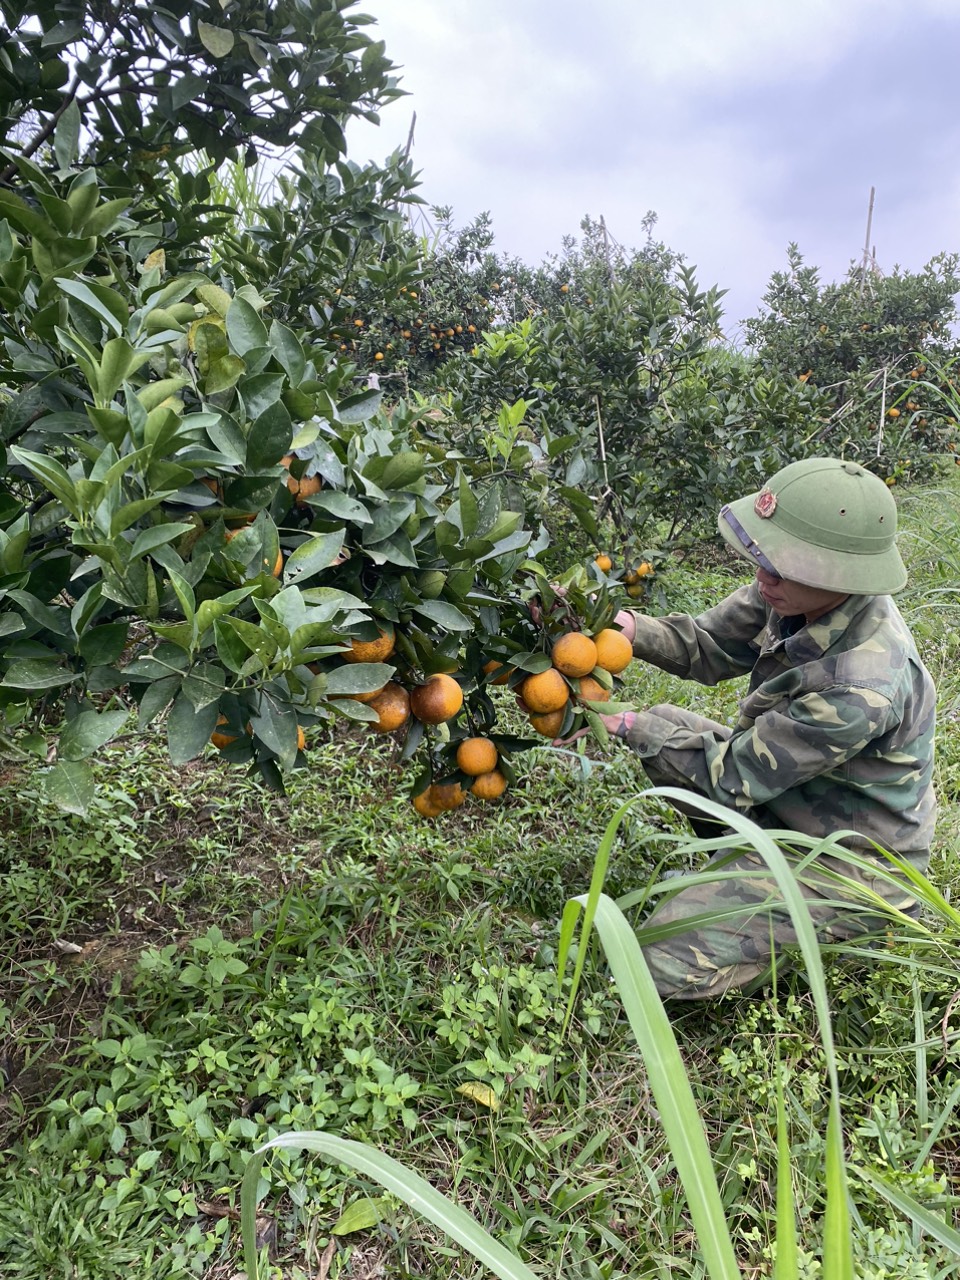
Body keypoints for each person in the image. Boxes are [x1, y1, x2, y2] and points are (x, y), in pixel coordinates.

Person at [591, 457, 937, 1000]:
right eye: (764, 559)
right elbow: (708, 646)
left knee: (649, 961)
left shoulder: (861, 687)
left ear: (839, 575)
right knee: (671, 728)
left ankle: (822, 930)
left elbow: (732, 775)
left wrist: (623, 724)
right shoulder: (792, 589)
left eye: (782, 567)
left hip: (848, 865)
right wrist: (629, 630)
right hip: (792, 802)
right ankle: (744, 875)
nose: (762, 578)